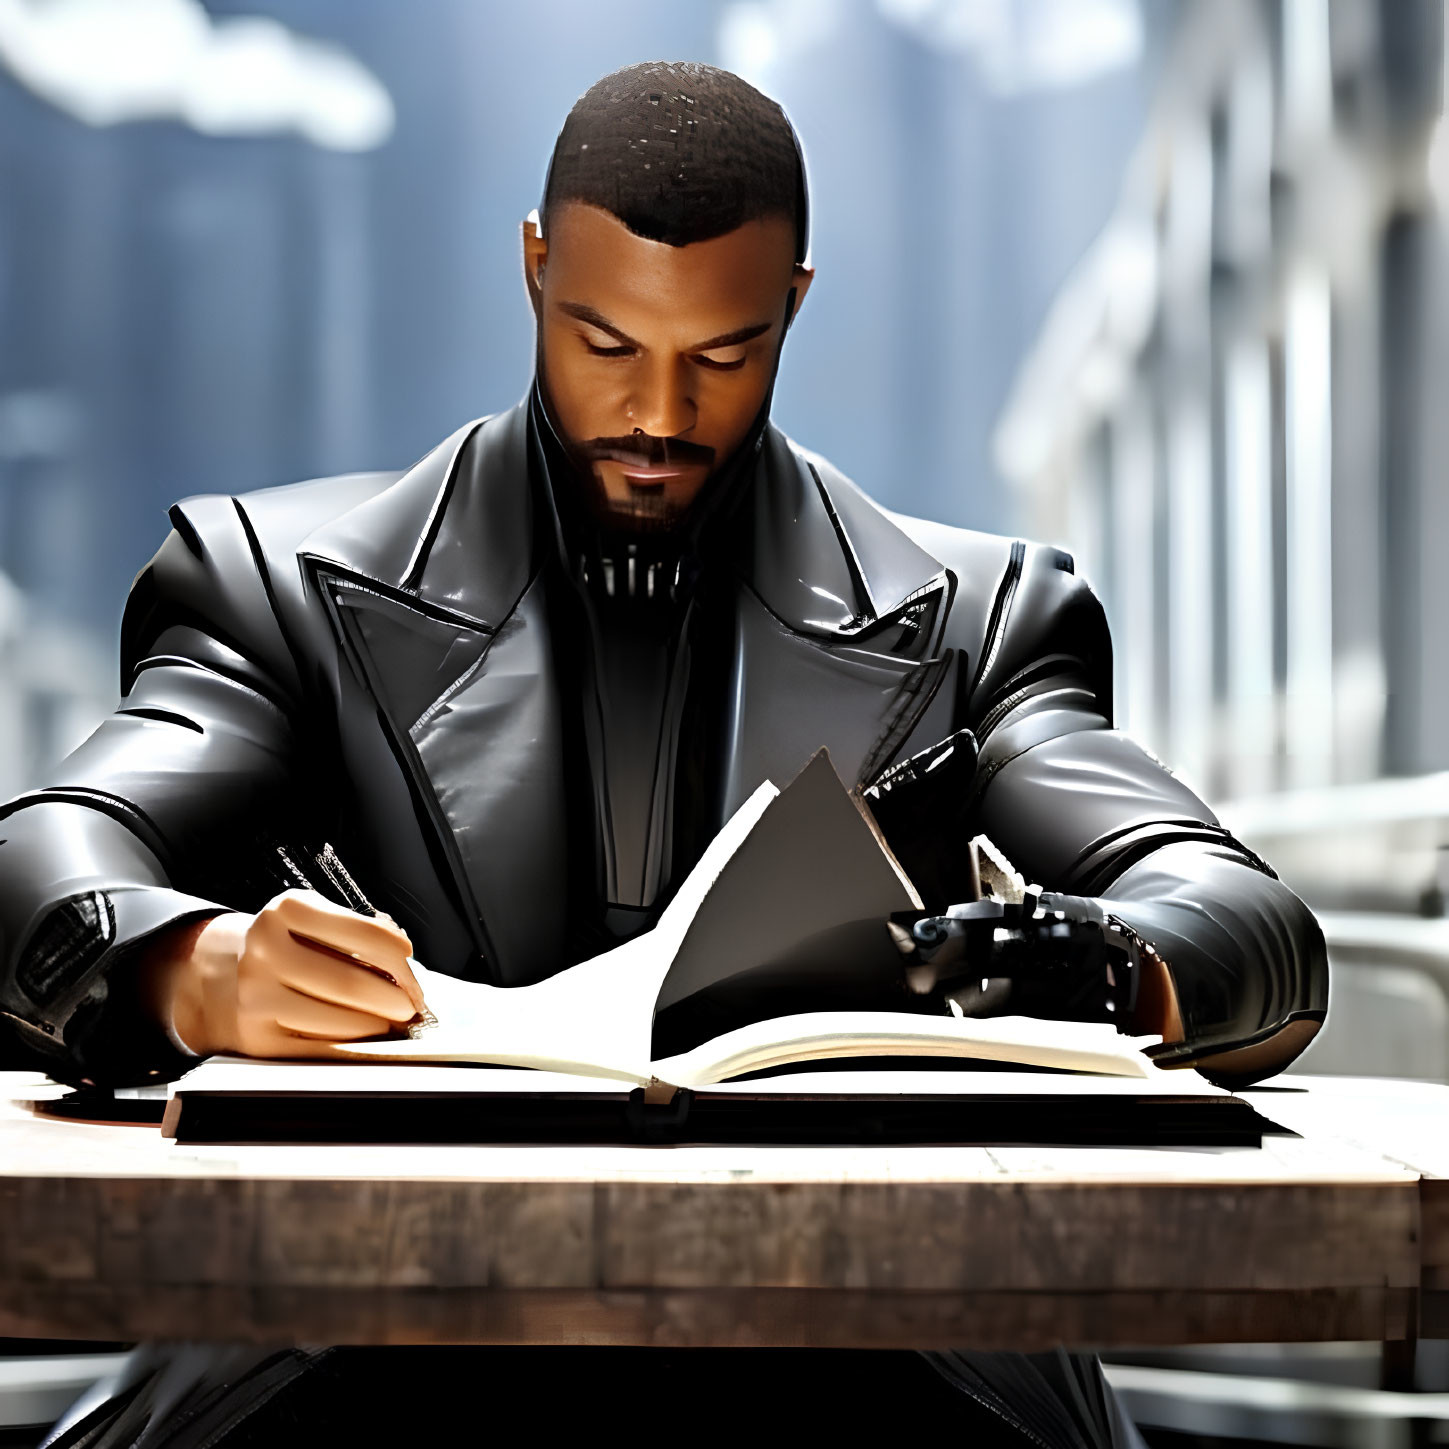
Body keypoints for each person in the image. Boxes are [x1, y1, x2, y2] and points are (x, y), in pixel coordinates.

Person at [6, 61, 1323, 1447]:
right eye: (603, 341)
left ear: (793, 307)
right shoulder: (271, 584)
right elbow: (41, 851)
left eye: (721, 355)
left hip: (872, 1362)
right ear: (531, 269)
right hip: (357, 1352)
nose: (657, 414)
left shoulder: (981, 623)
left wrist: (1104, 961)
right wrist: (190, 970)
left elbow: (1243, 921)